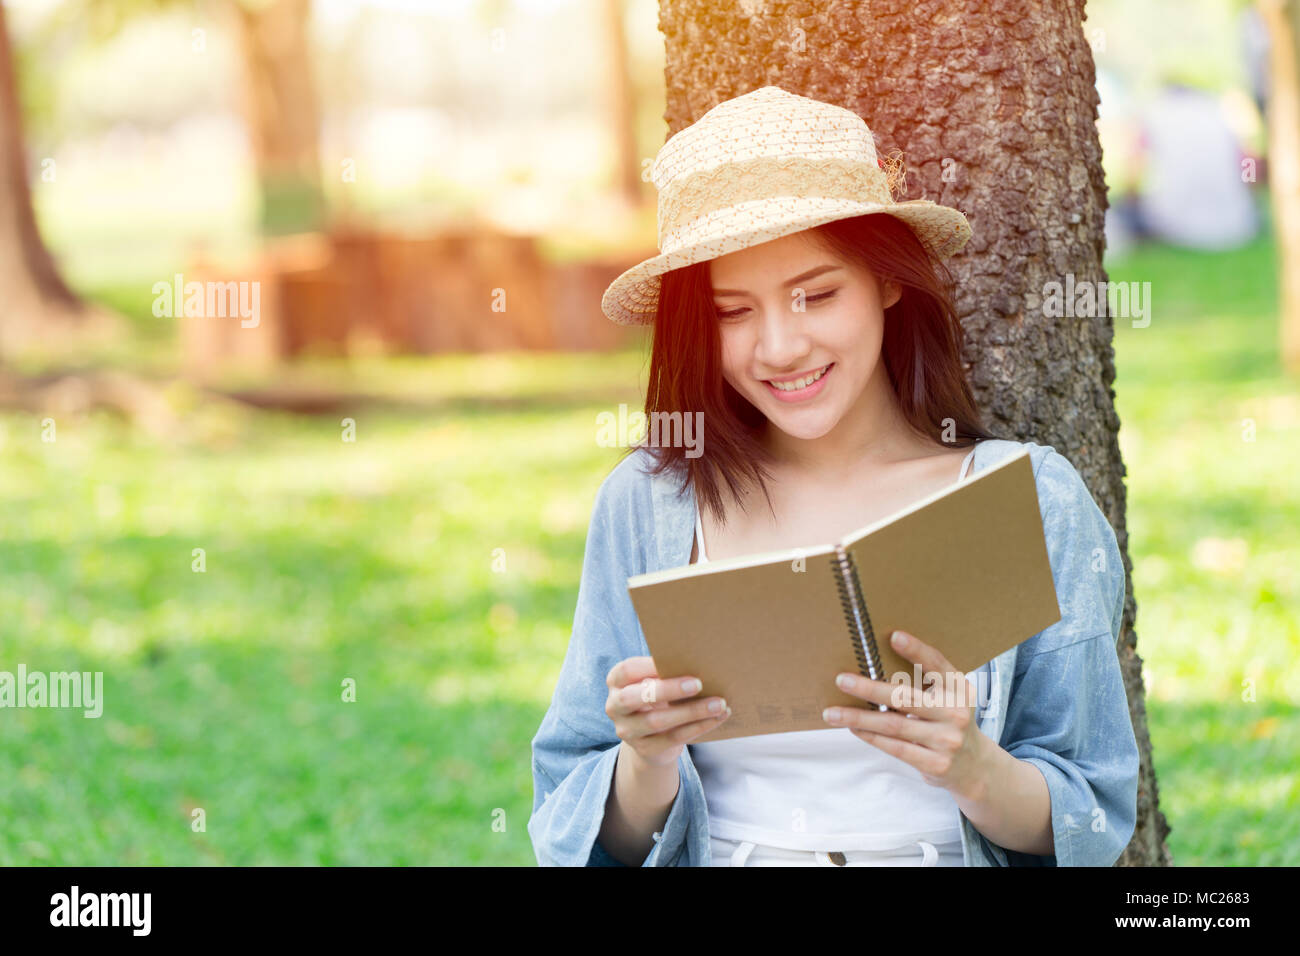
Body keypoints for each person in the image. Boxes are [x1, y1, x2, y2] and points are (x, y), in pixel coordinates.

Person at [527, 86, 1140, 867]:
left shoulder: (1028, 499)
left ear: (888, 280)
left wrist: (972, 766)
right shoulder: (649, 506)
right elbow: (575, 825)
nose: (779, 347)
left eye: (816, 295)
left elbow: (1092, 816)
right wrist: (645, 762)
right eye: (732, 313)